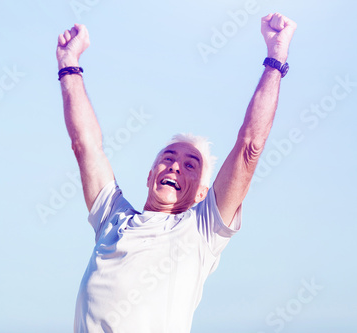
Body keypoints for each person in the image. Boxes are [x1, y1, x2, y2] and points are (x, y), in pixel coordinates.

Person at [56, 13, 297, 332]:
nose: (174, 166)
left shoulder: (201, 229)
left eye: (190, 165)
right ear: (149, 174)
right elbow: (84, 145)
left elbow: (249, 147)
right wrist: (68, 63)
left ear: (201, 193)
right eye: (168, 157)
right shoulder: (111, 218)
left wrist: (276, 57)